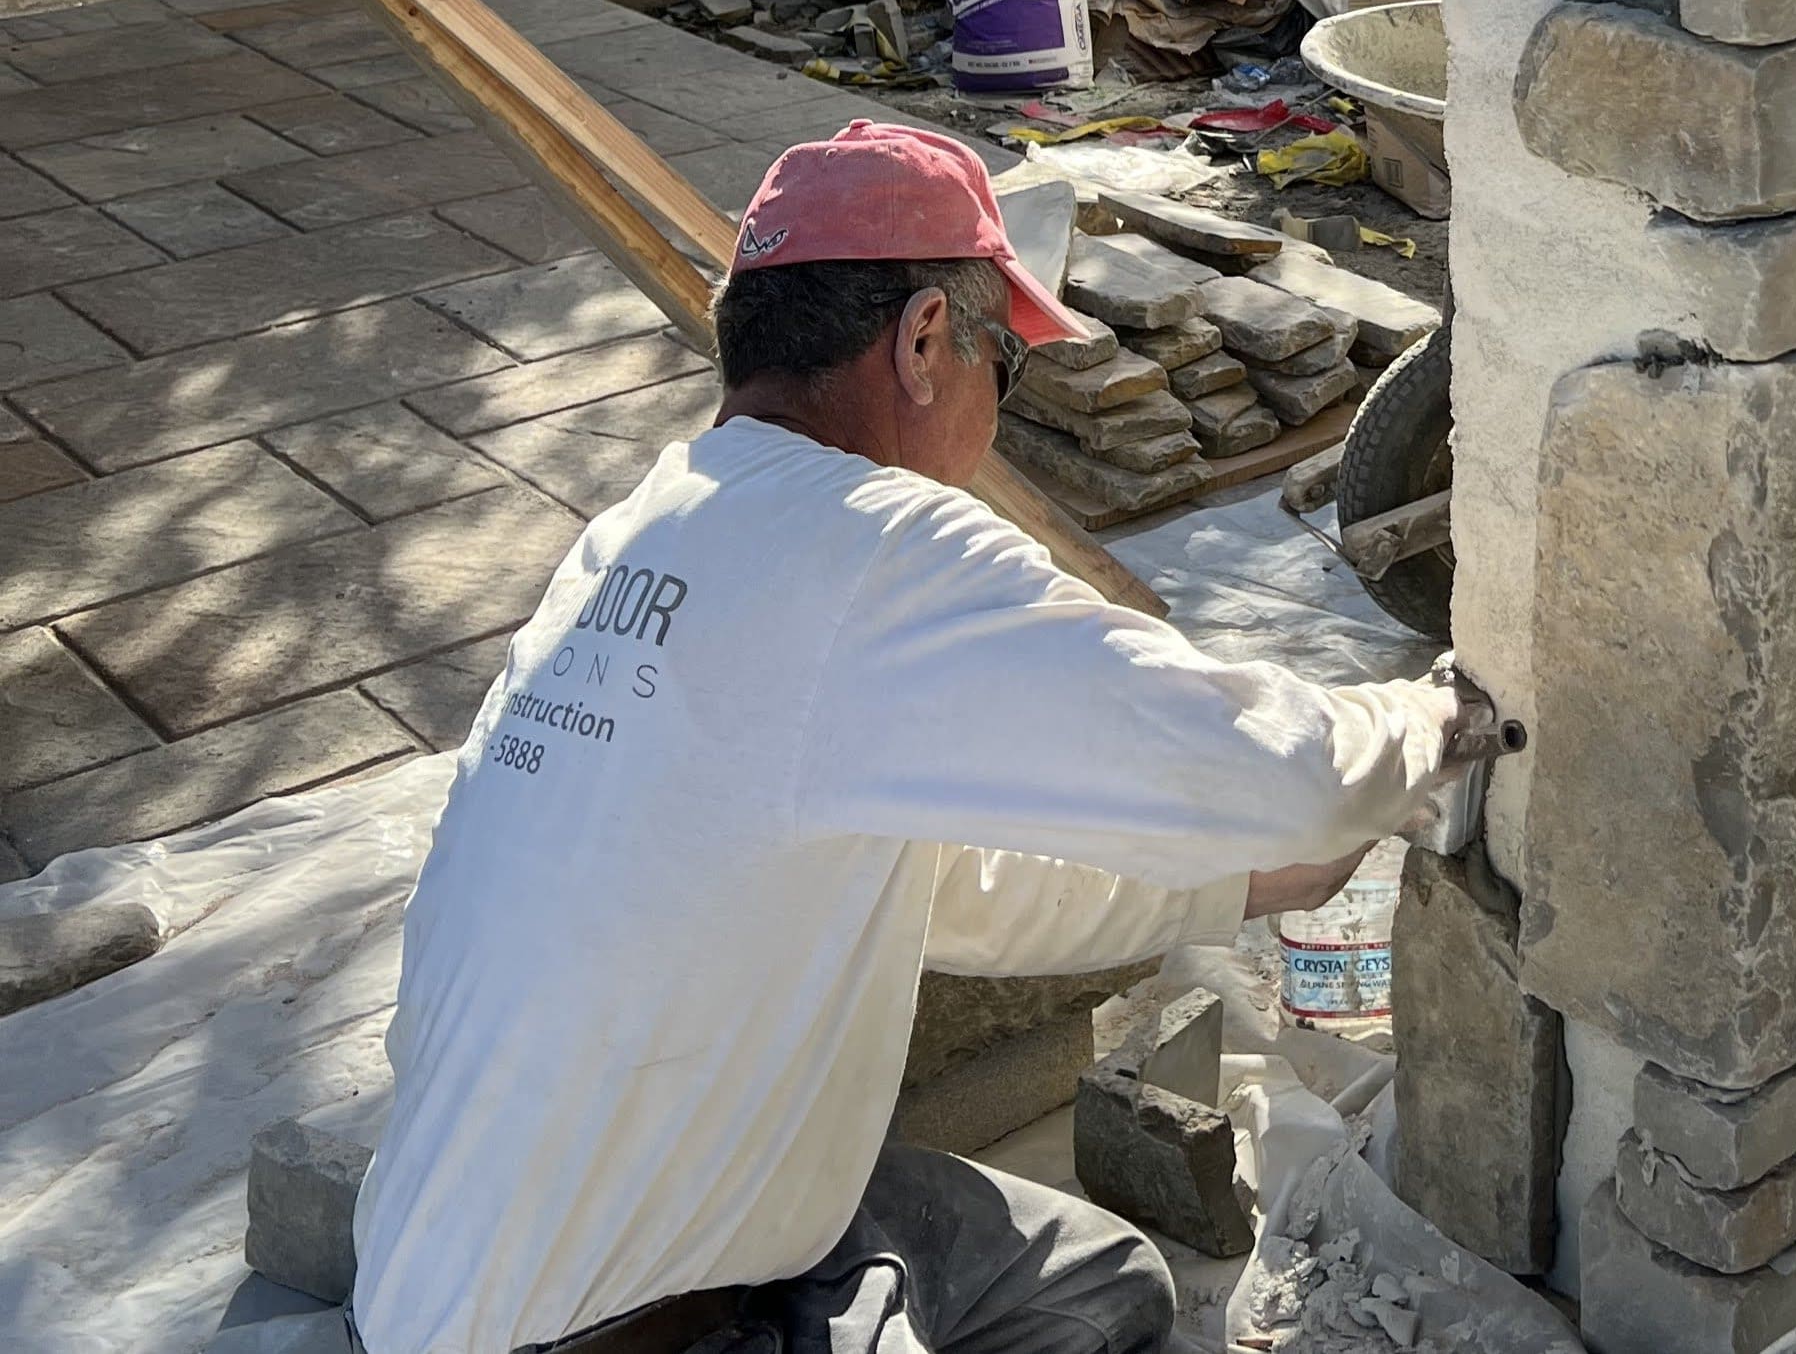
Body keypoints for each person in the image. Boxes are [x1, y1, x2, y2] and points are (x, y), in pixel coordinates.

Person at [347, 120, 1472, 1354]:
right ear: (926, 340)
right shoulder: (873, 548)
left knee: (1095, 1282)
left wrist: (1227, 882)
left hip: (440, 1286)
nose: (999, 413)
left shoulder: (642, 533)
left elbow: (943, 893)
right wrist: (1440, 718)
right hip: (604, 1328)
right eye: (1011, 364)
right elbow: (1282, 774)